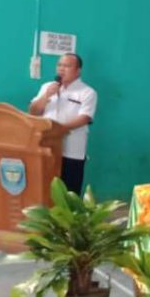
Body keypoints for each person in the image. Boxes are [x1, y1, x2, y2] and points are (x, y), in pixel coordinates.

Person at [28, 53, 97, 195]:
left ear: (78, 70)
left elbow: (85, 118)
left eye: (67, 66)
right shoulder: (46, 87)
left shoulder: (87, 92)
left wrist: (58, 130)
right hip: (46, 146)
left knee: (69, 191)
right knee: (44, 189)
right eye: (59, 65)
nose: (61, 69)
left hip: (72, 150)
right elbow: (33, 111)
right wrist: (46, 95)